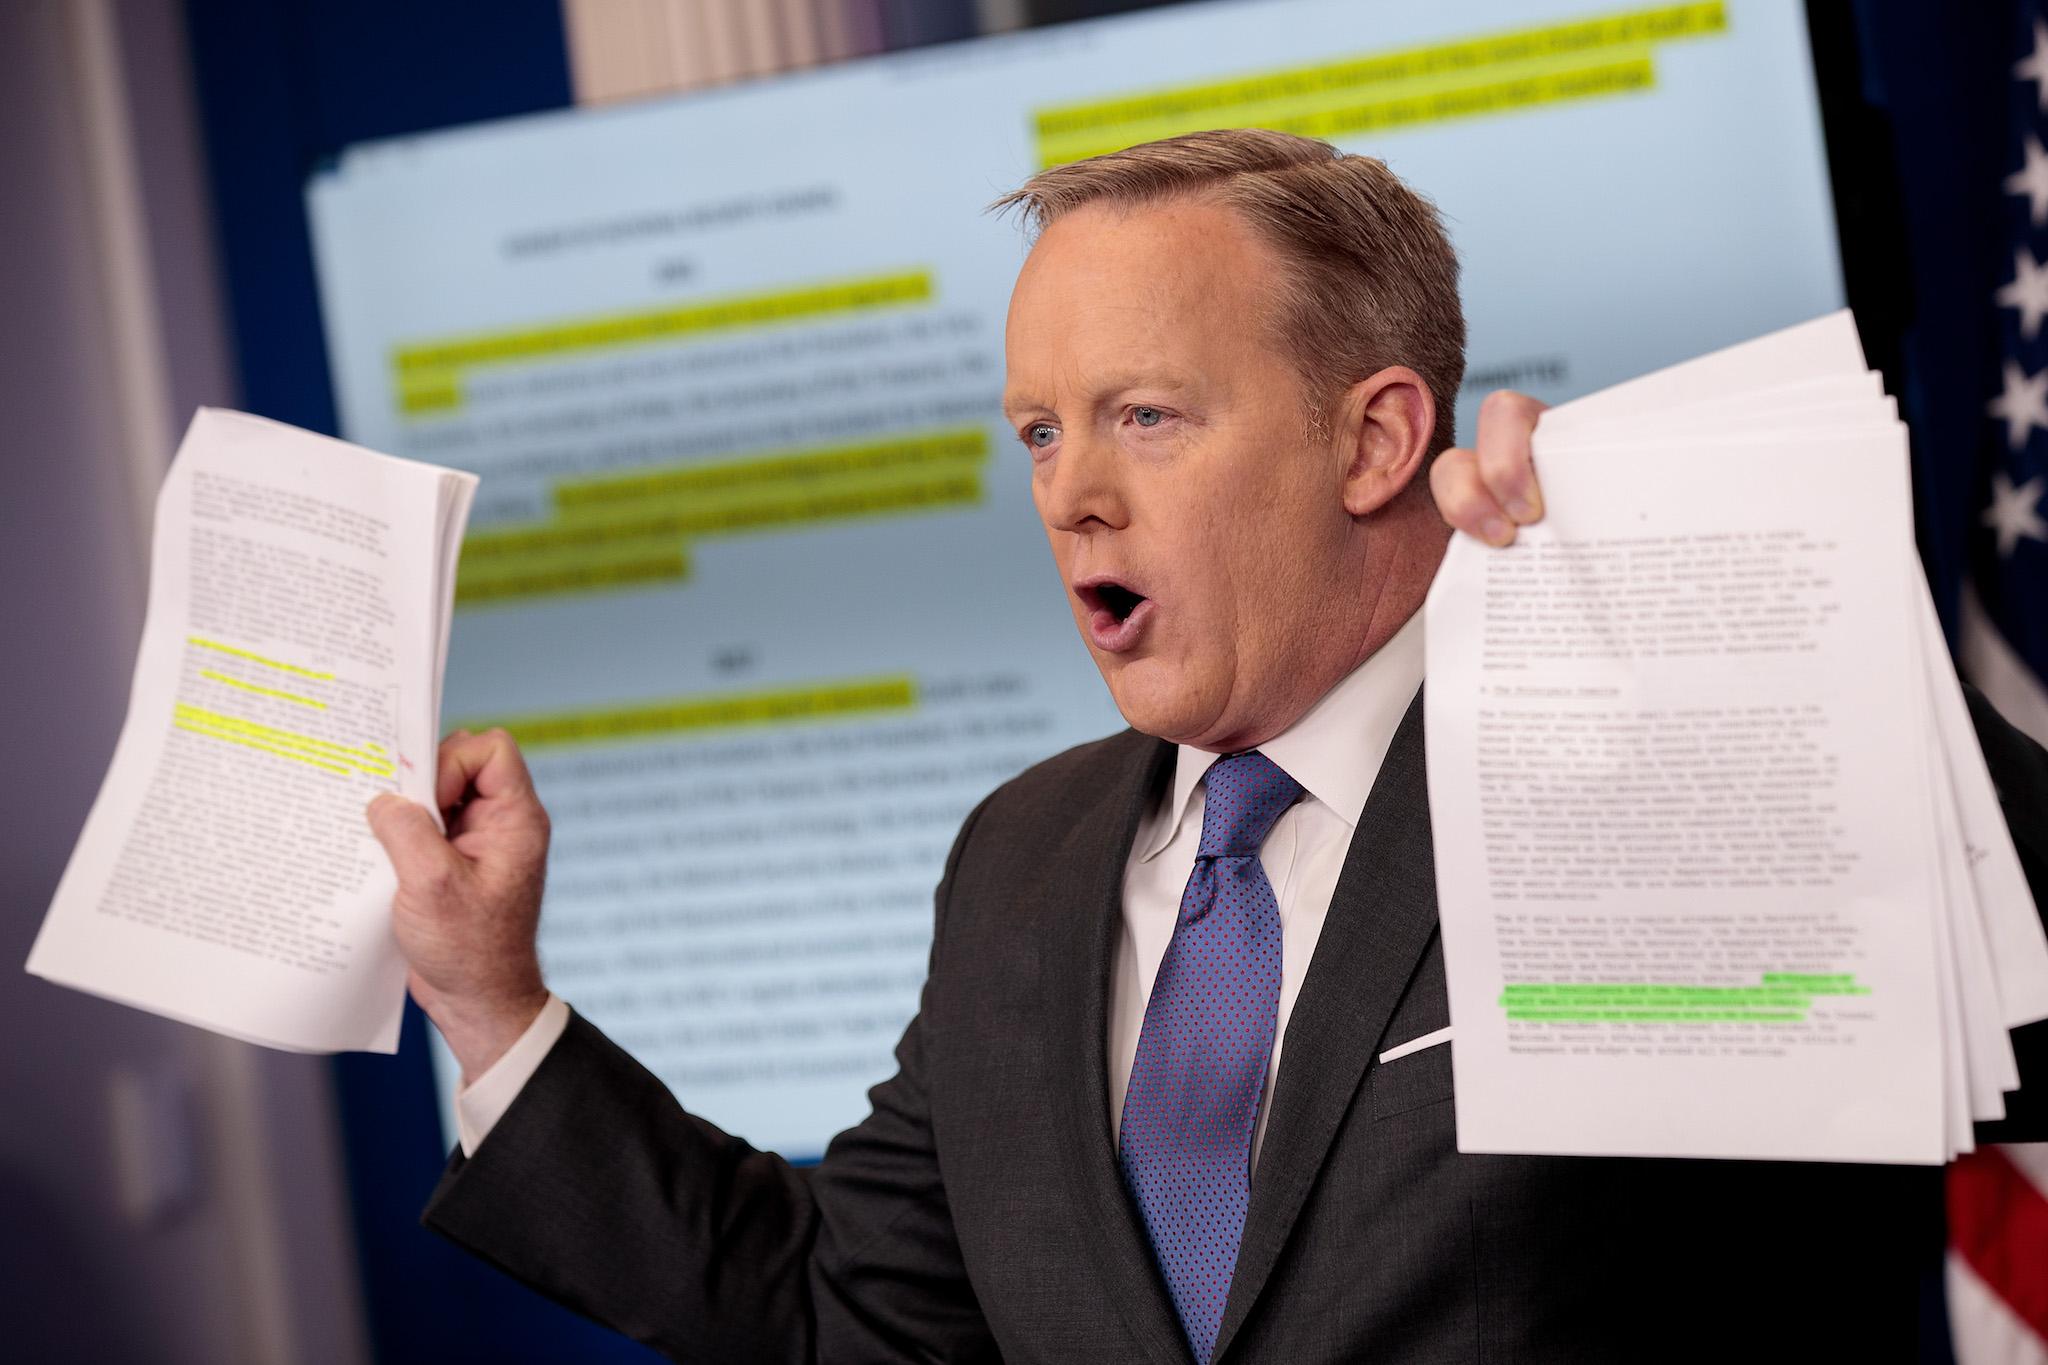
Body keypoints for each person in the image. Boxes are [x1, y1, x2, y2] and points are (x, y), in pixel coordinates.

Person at [366, 130, 2048, 1363]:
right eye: (1039, 430)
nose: (1068, 492)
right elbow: (841, 1319)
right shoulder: (1017, 859)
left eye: (1145, 415)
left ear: (1377, 434)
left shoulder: (1636, 749)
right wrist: (489, 1002)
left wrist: (1739, 637)